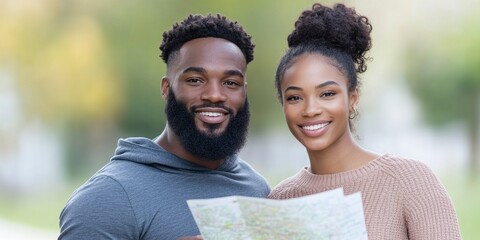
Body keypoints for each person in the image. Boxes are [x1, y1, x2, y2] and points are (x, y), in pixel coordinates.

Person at [59, 14, 270, 239]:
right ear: (166, 89)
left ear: (244, 92)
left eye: (231, 83)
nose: (215, 95)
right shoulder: (108, 198)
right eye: (195, 80)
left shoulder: (258, 190)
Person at [268, 3, 461, 239]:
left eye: (327, 94)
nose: (310, 110)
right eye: (295, 97)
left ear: (352, 99)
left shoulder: (410, 181)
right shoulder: (279, 200)